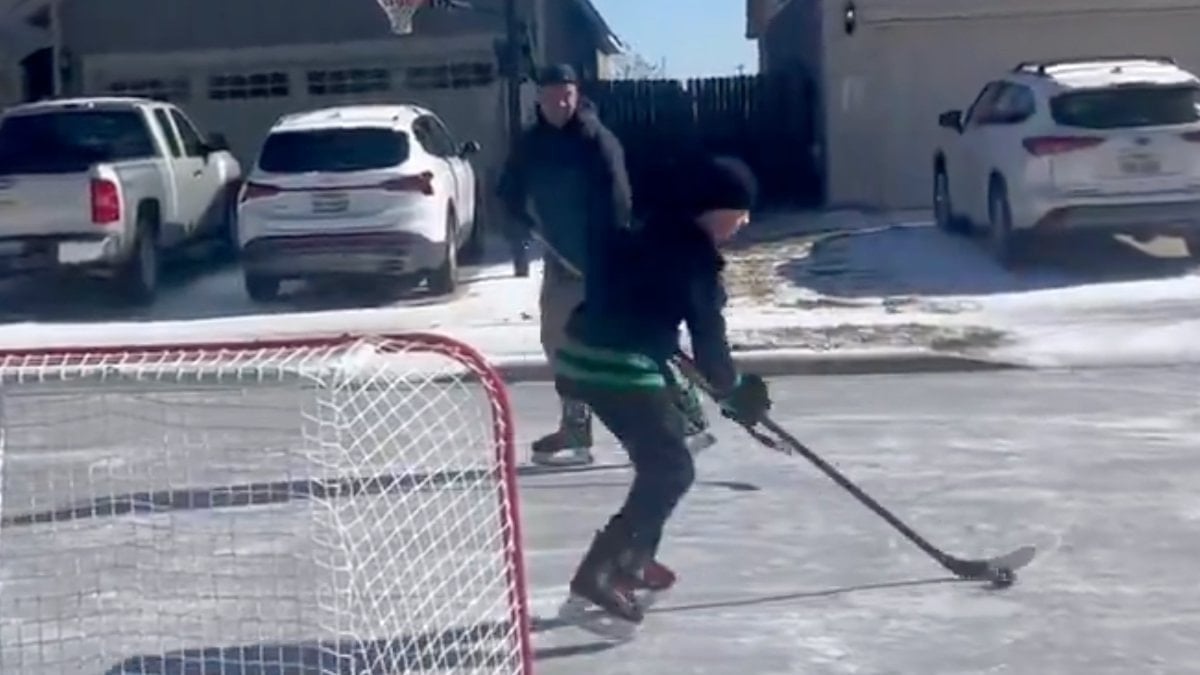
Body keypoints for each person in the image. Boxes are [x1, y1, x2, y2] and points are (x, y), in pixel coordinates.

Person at [553, 154, 773, 623]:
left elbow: (634, 299)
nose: (745, 221)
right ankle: (601, 569)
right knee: (670, 470)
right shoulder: (694, 258)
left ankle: (632, 558)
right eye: (740, 210)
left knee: (667, 455)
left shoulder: (651, 231)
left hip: (579, 355)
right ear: (714, 210)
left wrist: (661, 342)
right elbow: (709, 340)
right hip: (617, 367)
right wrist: (735, 392)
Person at [498, 63, 715, 467]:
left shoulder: (596, 139)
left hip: (605, 260)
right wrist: (516, 216)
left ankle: (689, 422)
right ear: (539, 99)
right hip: (562, 264)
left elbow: (620, 201)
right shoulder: (532, 144)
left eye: (567, 94)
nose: (560, 102)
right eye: (551, 95)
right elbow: (508, 188)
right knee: (560, 342)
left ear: (577, 94)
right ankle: (577, 432)